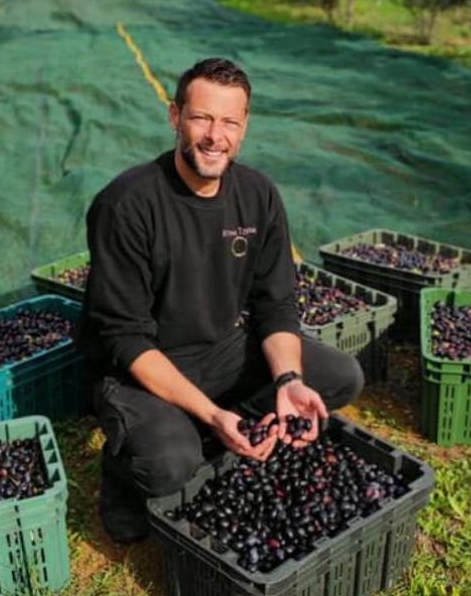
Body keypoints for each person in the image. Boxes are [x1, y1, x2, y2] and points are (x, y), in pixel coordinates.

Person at [80, 58, 364, 543]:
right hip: (140, 367)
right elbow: (125, 340)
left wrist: (289, 380)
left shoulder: (258, 195)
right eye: (201, 118)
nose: (216, 136)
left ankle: (218, 429)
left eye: (230, 121)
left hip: (220, 347)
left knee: (341, 377)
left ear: (245, 126)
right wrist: (210, 414)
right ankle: (127, 474)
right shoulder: (126, 205)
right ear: (175, 117)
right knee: (171, 463)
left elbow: (276, 303)